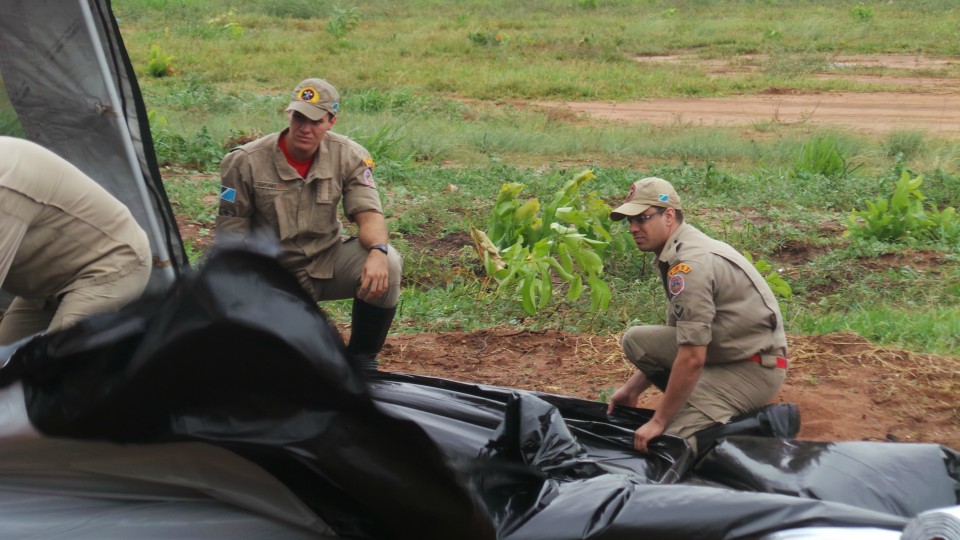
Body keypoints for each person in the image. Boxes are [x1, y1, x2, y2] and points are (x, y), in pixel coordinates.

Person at [215, 78, 402, 371]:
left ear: (331, 121)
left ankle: (361, 357)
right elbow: (231, 238)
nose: (304, 128)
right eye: (299, 117)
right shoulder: (245, 162)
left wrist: (378, 251)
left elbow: (369, 214)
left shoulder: (349, 155)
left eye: (315, 120)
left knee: (389, 261)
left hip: (325, 263)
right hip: (271, 273)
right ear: (288, 114)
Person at [605, 177, 787, 455]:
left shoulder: (690, 264)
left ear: (668, 216)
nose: (633, 228)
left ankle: (738, 422)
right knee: (636, 340)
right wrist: (632, 390)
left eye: (641, 218)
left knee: (672, 444)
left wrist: (660, 421)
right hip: (728, 352)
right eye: (629, 221)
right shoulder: (678, 251)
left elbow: (691, 356)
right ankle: (701, 404)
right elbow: (682, 339)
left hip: (752, 368)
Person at [0, 136, 152, 344]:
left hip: (108, 265)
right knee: (7, 359)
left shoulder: (5, 192)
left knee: (52, 366)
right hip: (48, 279)